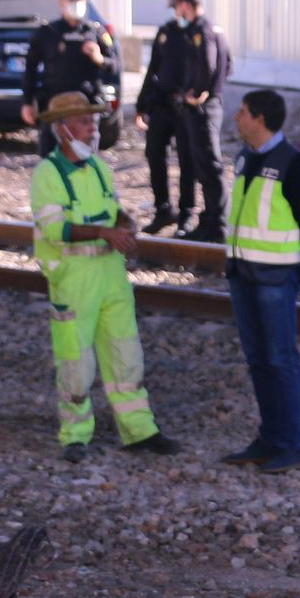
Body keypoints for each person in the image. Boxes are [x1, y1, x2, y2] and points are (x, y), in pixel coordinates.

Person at [28, 92, 182, 463]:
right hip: (74, 279)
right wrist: (105, 234)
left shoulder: (98, 167)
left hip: (111, 276)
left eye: (93, 122)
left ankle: (139, 431)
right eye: (84, 122)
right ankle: (75, 436)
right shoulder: (46, 174)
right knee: (75, 362)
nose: (92, 129)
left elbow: (114, 212)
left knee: (125, 355)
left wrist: (127, 227)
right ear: (63, 129)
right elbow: (56, 231)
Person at [220, 89, 300, 475]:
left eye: (243, 112)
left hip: (276, 276)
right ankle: (269, 438)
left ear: (260, 118)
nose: (237, 118)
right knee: (258, 360)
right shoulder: (246, 157)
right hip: (243, 274)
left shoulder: (293, 163)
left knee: (280, 359)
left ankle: (290, 444)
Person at [21, 0, 119, 157]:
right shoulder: (47, 33)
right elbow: (30, 69)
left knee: (85, 159)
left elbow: (114, 66)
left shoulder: (96, 32)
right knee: (50, 159)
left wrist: (99, 59)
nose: (76, 5)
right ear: (62, 3)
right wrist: (28, 102)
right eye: (72, 1)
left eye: (80, 0)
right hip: (54, 106)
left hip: (86, 106)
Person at [134, 0, 198, 235]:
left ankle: (186, 214)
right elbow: (153, 70)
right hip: (162, 104)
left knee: (186, 161)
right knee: (154, 155)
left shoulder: (200, 32)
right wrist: (141, 105)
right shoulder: (166, 32)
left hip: (186, 107)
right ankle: (163, 210)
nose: (176, 13)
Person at [170, 0, 231, 243]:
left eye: (176, 6)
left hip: (202, 108)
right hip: (210, 103)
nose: (176, 12)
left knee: (209, 167)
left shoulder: (201, 31)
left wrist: (197, 92)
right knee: (204, 166)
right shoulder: (215, 28)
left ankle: (216, 225)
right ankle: (210, 221)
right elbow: (228, 65)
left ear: (185, 4)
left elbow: (209, 64)